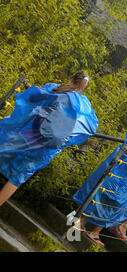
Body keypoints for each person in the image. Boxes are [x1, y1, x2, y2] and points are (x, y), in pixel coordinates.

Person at [0, 71, 98, 206]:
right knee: (17, 178)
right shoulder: (85, 106)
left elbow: (35, 98)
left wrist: (29, 88)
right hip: (47, 148)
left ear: (72, 77)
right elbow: (92, 128)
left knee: (3, 146)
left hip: (30, 133)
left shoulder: (55, 88)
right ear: (84, 87)